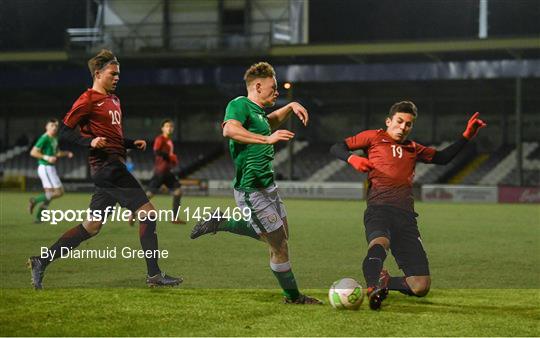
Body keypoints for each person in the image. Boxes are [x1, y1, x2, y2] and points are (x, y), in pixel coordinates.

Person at [27, 49, 182, 289]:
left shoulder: (114, 100)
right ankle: (154, 275)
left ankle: (41, 261)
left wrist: (131, 143)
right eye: (113, 73)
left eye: (119, 73)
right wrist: (89, 142)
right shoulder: (87, 99)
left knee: (92, 226)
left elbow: (111, 135)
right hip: (108, 167)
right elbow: (67, 129)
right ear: (98, 73)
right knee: (149, 214)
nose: (117, 77)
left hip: (110, 168)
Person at [330, 101, 486, 310]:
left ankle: (386, 282)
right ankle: (372, 287)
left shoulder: (413, 148)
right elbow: (336, 147)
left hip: (406, 217)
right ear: (389, 121)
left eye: (408, 124)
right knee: (380, 243)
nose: (403, 127)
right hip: (379, 208)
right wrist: (352, 159)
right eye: (399, 121)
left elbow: (443, 158)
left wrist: (467, 135)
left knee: (420, 286)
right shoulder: (373, 137)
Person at [190, 62, 321, 304]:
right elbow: (230, 130)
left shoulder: (259, 113)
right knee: (278, 245)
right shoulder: (239, 104)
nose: (277, 91)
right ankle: (293, 297)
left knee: (281, 235)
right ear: (258, 86)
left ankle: (221, 222)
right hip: (251, 190)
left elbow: (269, 123)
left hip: (268, 187)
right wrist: (266, 139)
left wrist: (290, 106)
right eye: (274, 87)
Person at [129, 119, 185, 225]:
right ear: (162, 128)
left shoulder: (169, 141)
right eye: (167, 126)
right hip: (160, 172)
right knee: (149, 195)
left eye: (171, 126)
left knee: (178, 191)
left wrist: (172, 161)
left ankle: (175, 218)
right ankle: (134, 211)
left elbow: (168, 157)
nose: (170, 128)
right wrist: (169, 156)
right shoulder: (160, 139)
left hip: (168, 172)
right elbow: (156, 151)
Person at [28, 119, 74, 223]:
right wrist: (47, 157)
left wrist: (66, 153)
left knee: (49, 194)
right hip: (46, 167)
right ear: (47, 127)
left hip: (49, 168)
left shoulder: (54, 138)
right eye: (52, 125)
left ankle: (39, 218)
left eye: (56, 126)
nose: (54, 127)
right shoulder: (44, 138)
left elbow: (56, 153)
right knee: (59, 192)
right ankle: (35, 200)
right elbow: (33, 152)